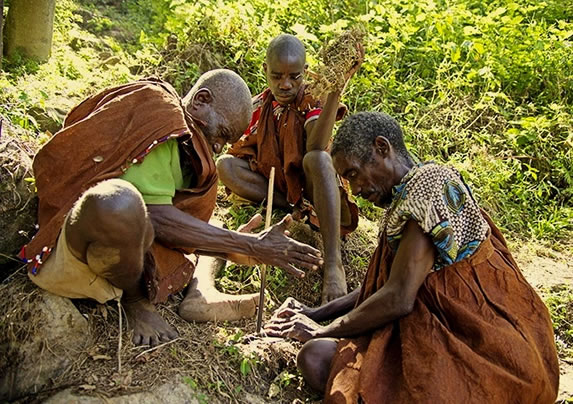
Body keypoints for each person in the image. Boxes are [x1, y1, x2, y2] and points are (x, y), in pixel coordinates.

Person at [264, 112, 560, 403]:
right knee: (319, 358)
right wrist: (314, 313)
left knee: (317, 358)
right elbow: (386, 286)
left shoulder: (425, 191)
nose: (354, 190)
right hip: (483, 344)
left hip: (486, 353)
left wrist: (321, 329)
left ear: (382, 148)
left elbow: (398, 297)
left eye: (353, 174)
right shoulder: (411, 193)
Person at [21, 70, 323, 347]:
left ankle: (201, 293)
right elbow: (155, 215)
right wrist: (248, 245)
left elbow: (172, 223)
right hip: (73, 247)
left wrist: (233, 248)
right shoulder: (160, 114)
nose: (218, 148)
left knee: (210, 226)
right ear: (201, 101)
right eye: (222, 135)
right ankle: (136, 303)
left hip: (124, 258)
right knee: (119, 202)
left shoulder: (187, 151)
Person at [217, 34, 362, 303]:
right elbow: (237, 147)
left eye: (294, 77)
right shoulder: (259, 106)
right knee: (226, 166)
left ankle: (333, 264)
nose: (285, 84)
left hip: (316, 187)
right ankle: (292, 208)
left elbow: (317, 144)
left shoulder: (312, 98)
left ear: (305, 72)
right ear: (265, 71)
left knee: (317, 159)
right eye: (276, 76)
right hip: (281, 188)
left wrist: (335, 90)